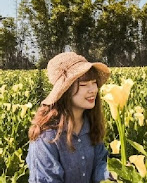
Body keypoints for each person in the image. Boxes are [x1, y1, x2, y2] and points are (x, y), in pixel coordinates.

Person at [26, 52, 116, 183]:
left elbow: (99, 165)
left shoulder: (91, 126)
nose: (93, 90)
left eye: (94, 82)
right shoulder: (47, 137)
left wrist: (116, 173)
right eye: (84, 84)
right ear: (65, 91)